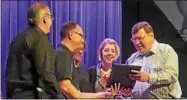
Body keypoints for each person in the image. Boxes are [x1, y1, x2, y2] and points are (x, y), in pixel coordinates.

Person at [5, 2, 59, 99]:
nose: (51, 22)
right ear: (44, 19)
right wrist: (57, 95)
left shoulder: (17, 39)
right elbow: (46, 75)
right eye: (51, 17)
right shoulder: (41, 40)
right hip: (31, 95)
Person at [55, 22, 118, 99]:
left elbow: (78, 93)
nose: (82, 40)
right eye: (81, 35)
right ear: (71, 35)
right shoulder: (63, 54)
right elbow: (66, 87)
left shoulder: (69, 58)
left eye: (113, 51)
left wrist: (105, 94)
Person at [126, 21, 182, 99]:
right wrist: (126, 92)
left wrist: (148, 77)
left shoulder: (166, 51)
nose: (137, 42)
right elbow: (129, 86)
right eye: (134, 39)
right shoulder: (132, 59)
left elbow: (171, 76)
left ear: (151, 36)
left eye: (140, 38)